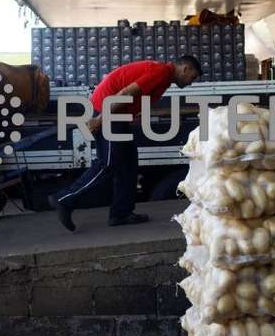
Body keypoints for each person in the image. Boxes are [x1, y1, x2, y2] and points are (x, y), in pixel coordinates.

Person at [49, 55, 202, 232]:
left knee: (128, 163)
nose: (192, 82)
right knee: (108, 164)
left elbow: (133, 96)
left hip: (116, 114)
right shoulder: (160, 72)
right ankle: (64, 200)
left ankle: (121, 213)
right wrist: (99, 119)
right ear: (185, 69)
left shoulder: (164, 76)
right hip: (108, 111)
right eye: (193, 77)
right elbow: (126, 93)